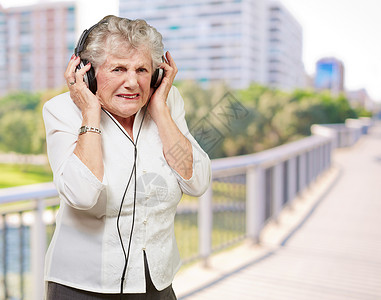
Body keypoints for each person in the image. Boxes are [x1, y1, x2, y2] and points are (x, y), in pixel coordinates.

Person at [43, 15, 211, 299]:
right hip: (83, 287)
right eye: (118, 69)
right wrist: (90, 114)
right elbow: (82, 195)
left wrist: (160, 112)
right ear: (89, 73)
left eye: (142, 70)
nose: (132, 82)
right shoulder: (61, 111)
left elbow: (197, 182)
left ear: (157, 75)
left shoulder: (168, 103)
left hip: (156, 284)